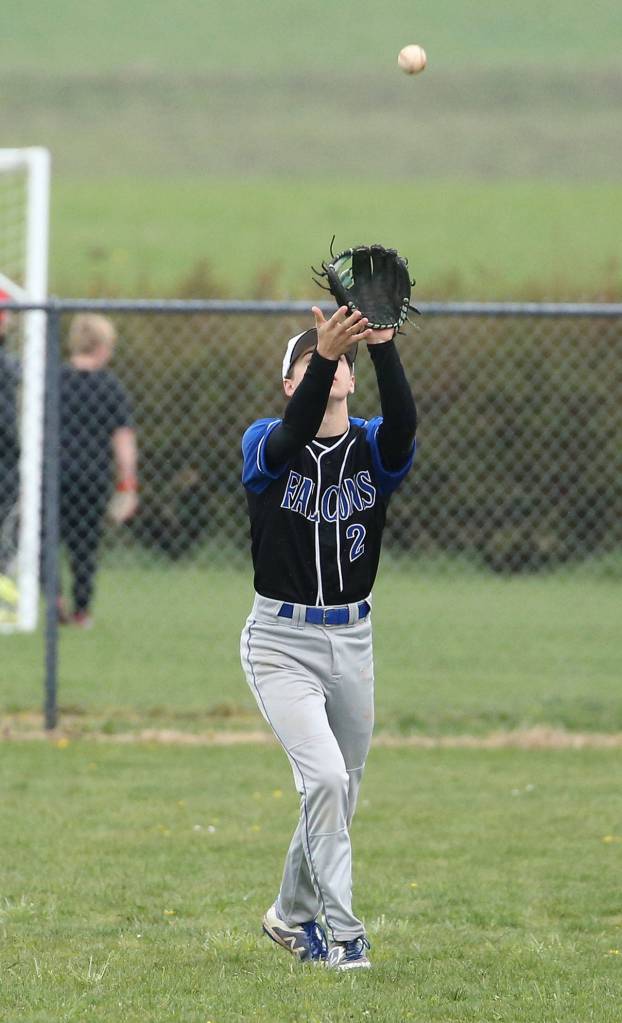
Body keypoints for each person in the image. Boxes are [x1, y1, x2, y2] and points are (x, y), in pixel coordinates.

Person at [240, 303, 417, 970]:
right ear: (291, 384)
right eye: (312, 362)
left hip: (353, 642)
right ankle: (343, 934)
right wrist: (324, 350)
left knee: (341, 787)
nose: (328, 366)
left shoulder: (371, 446)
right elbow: (288, 443)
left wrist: (382, 347)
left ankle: (287, 915)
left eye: (337, 360)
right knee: (323, 778)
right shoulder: (263, 440)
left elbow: (403, 426)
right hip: (280, 643)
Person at [58, 314, 138, 627]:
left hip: (55, 474)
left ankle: (53, 596)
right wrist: (127, 484)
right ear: (102, 347)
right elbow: (123, 439)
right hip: (92, 478)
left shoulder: (55, 379)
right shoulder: (109, 387)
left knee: (46, 539)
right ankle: (81, 611)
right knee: (85, 546)